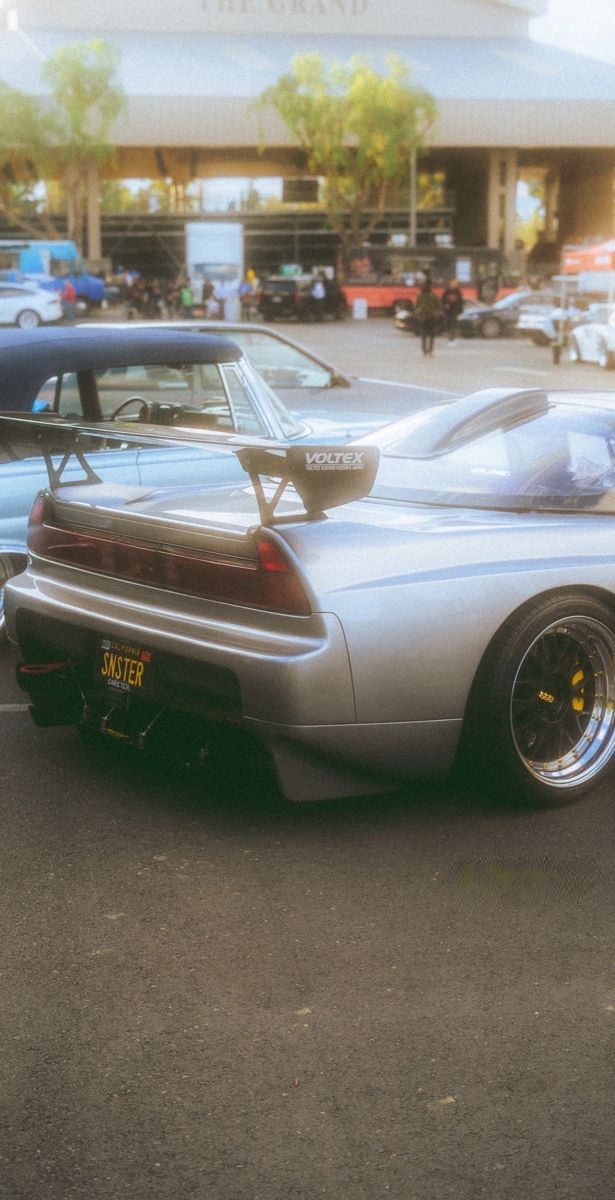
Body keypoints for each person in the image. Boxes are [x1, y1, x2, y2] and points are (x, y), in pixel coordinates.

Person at [414, 280, 442, 356]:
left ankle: (425, 351)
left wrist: (418, 314)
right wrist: (437, 313)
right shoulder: (433, 295)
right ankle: (430, 351)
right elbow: (439, 305)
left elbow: (416, 306)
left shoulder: (420, 296)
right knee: (431, 334)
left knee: (424, 335)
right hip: (431, 317)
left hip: (423, 317)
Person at [441, 278, 464, 345]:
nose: (453, 285)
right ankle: (450, 338)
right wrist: (445, 305)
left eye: (454, 283)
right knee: (448, 325)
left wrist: (460, 311)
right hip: (448, 312)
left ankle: (452, 339)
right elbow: (442, 301)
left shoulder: (458, 292)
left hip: (455, 311)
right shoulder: (446, 292)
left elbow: (461, 302)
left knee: (454, 326)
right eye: (452, 283)